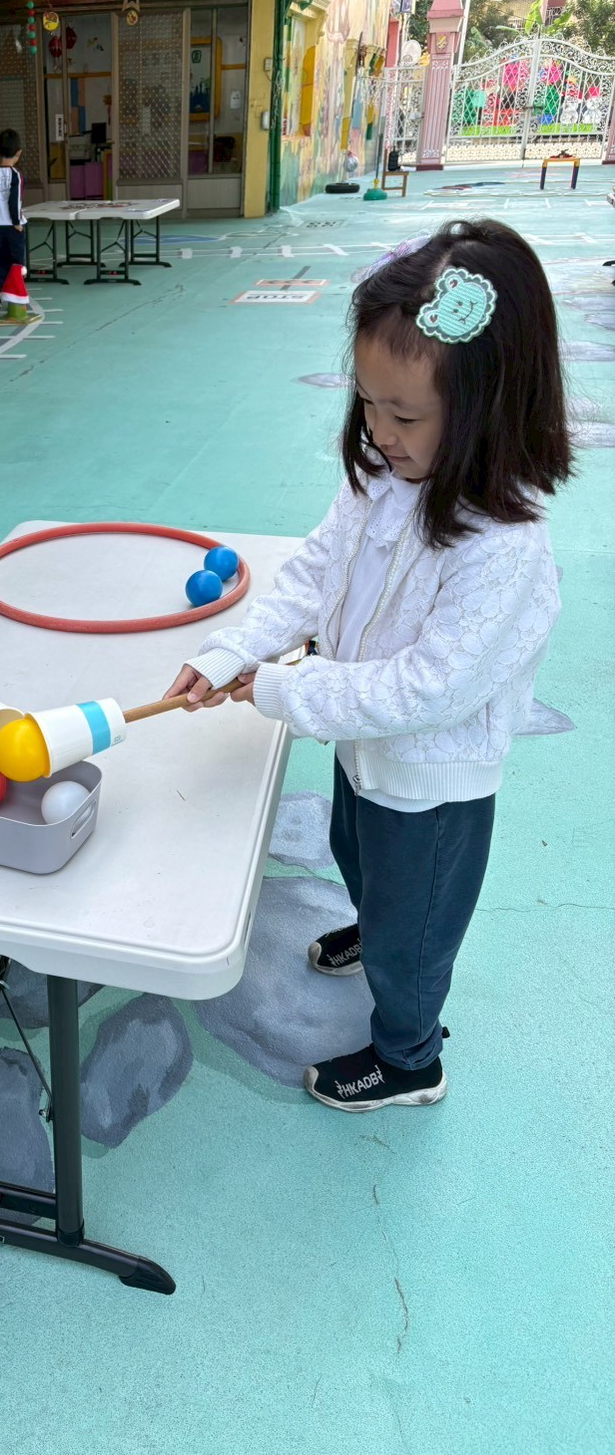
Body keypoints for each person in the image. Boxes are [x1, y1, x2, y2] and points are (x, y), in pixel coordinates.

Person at [164, 220, 570, 1113]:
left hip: (432, 787)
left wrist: (285, 687)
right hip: (365, 751)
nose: (380, 431)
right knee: (357, 852)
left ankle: (410, 1057)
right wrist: (234, 648)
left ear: (490, 405)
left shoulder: (504, 545)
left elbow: (430, 687)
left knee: (413, 934)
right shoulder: (383, 476)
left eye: (405, 415)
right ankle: (377, 925)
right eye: (369, 404)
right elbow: (314, 570)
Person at [0, 129, 26, 311]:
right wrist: (17, 222)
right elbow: (14, 200)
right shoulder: (15, 175)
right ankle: (16, 298)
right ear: (19, 153)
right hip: (11, 227)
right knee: (16, 262)